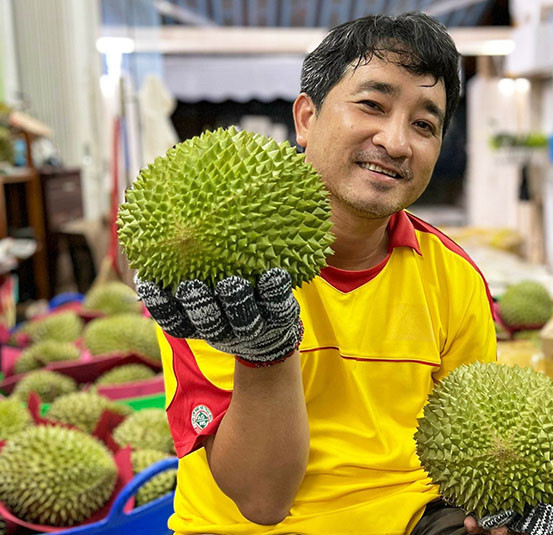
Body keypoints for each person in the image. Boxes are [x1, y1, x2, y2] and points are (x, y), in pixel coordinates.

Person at [136, 12, 501, 535]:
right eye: (372, 105)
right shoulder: (214, 261)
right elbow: (263, 501)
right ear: (306, 118)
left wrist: (513, 503)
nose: (397, 143)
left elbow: (476, 449)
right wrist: (265, 351)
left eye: (424, 124)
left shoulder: (453, 276)